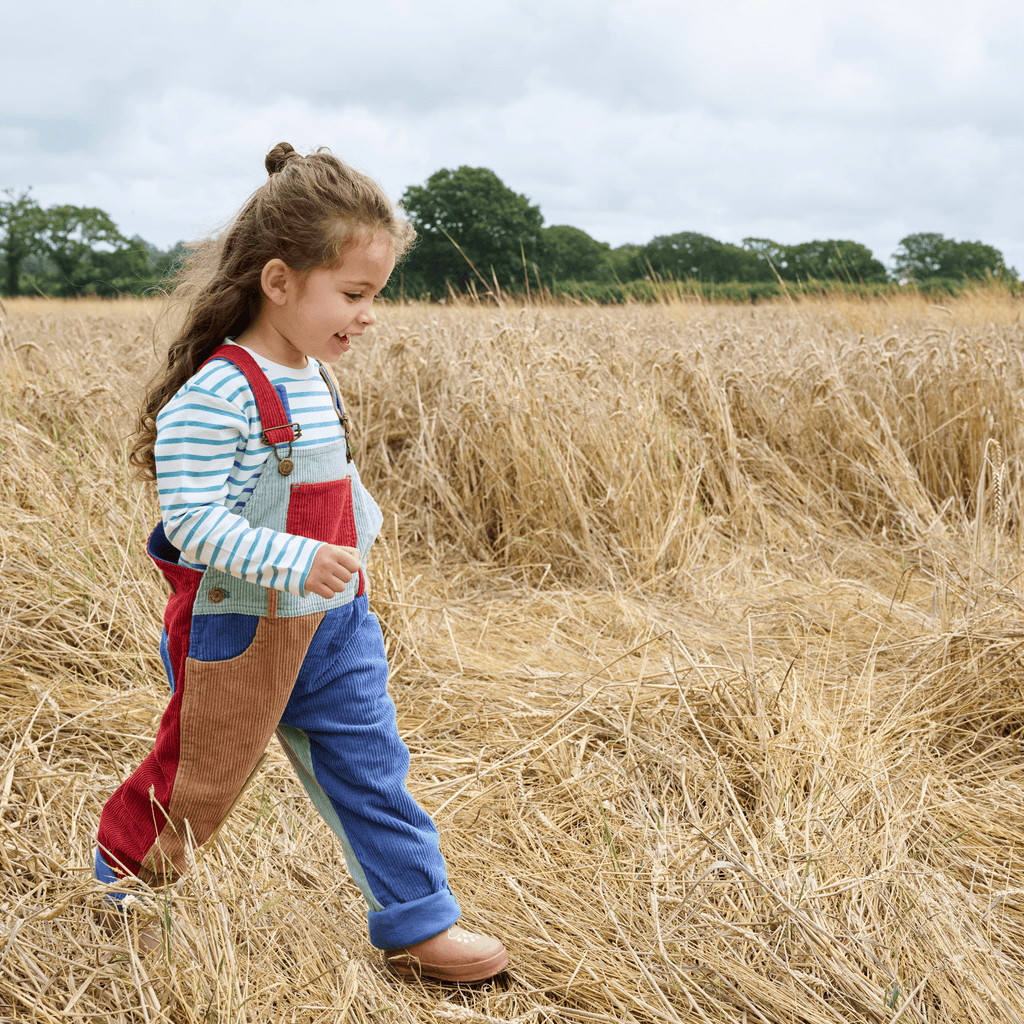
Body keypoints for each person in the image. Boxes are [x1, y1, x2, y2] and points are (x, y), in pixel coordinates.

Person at [93, 142, 507, 984]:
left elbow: (331, 477)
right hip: (239, 628)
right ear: (278, 281)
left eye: (374, 296)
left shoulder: (313, 374)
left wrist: (360, 536)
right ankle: (127, 889)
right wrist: (294, 558)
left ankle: (418, 925)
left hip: (334, 622)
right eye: (353, 294)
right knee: (201, 778)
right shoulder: (217, 393)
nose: (368, 313)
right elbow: (193, 522)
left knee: (372, 766)